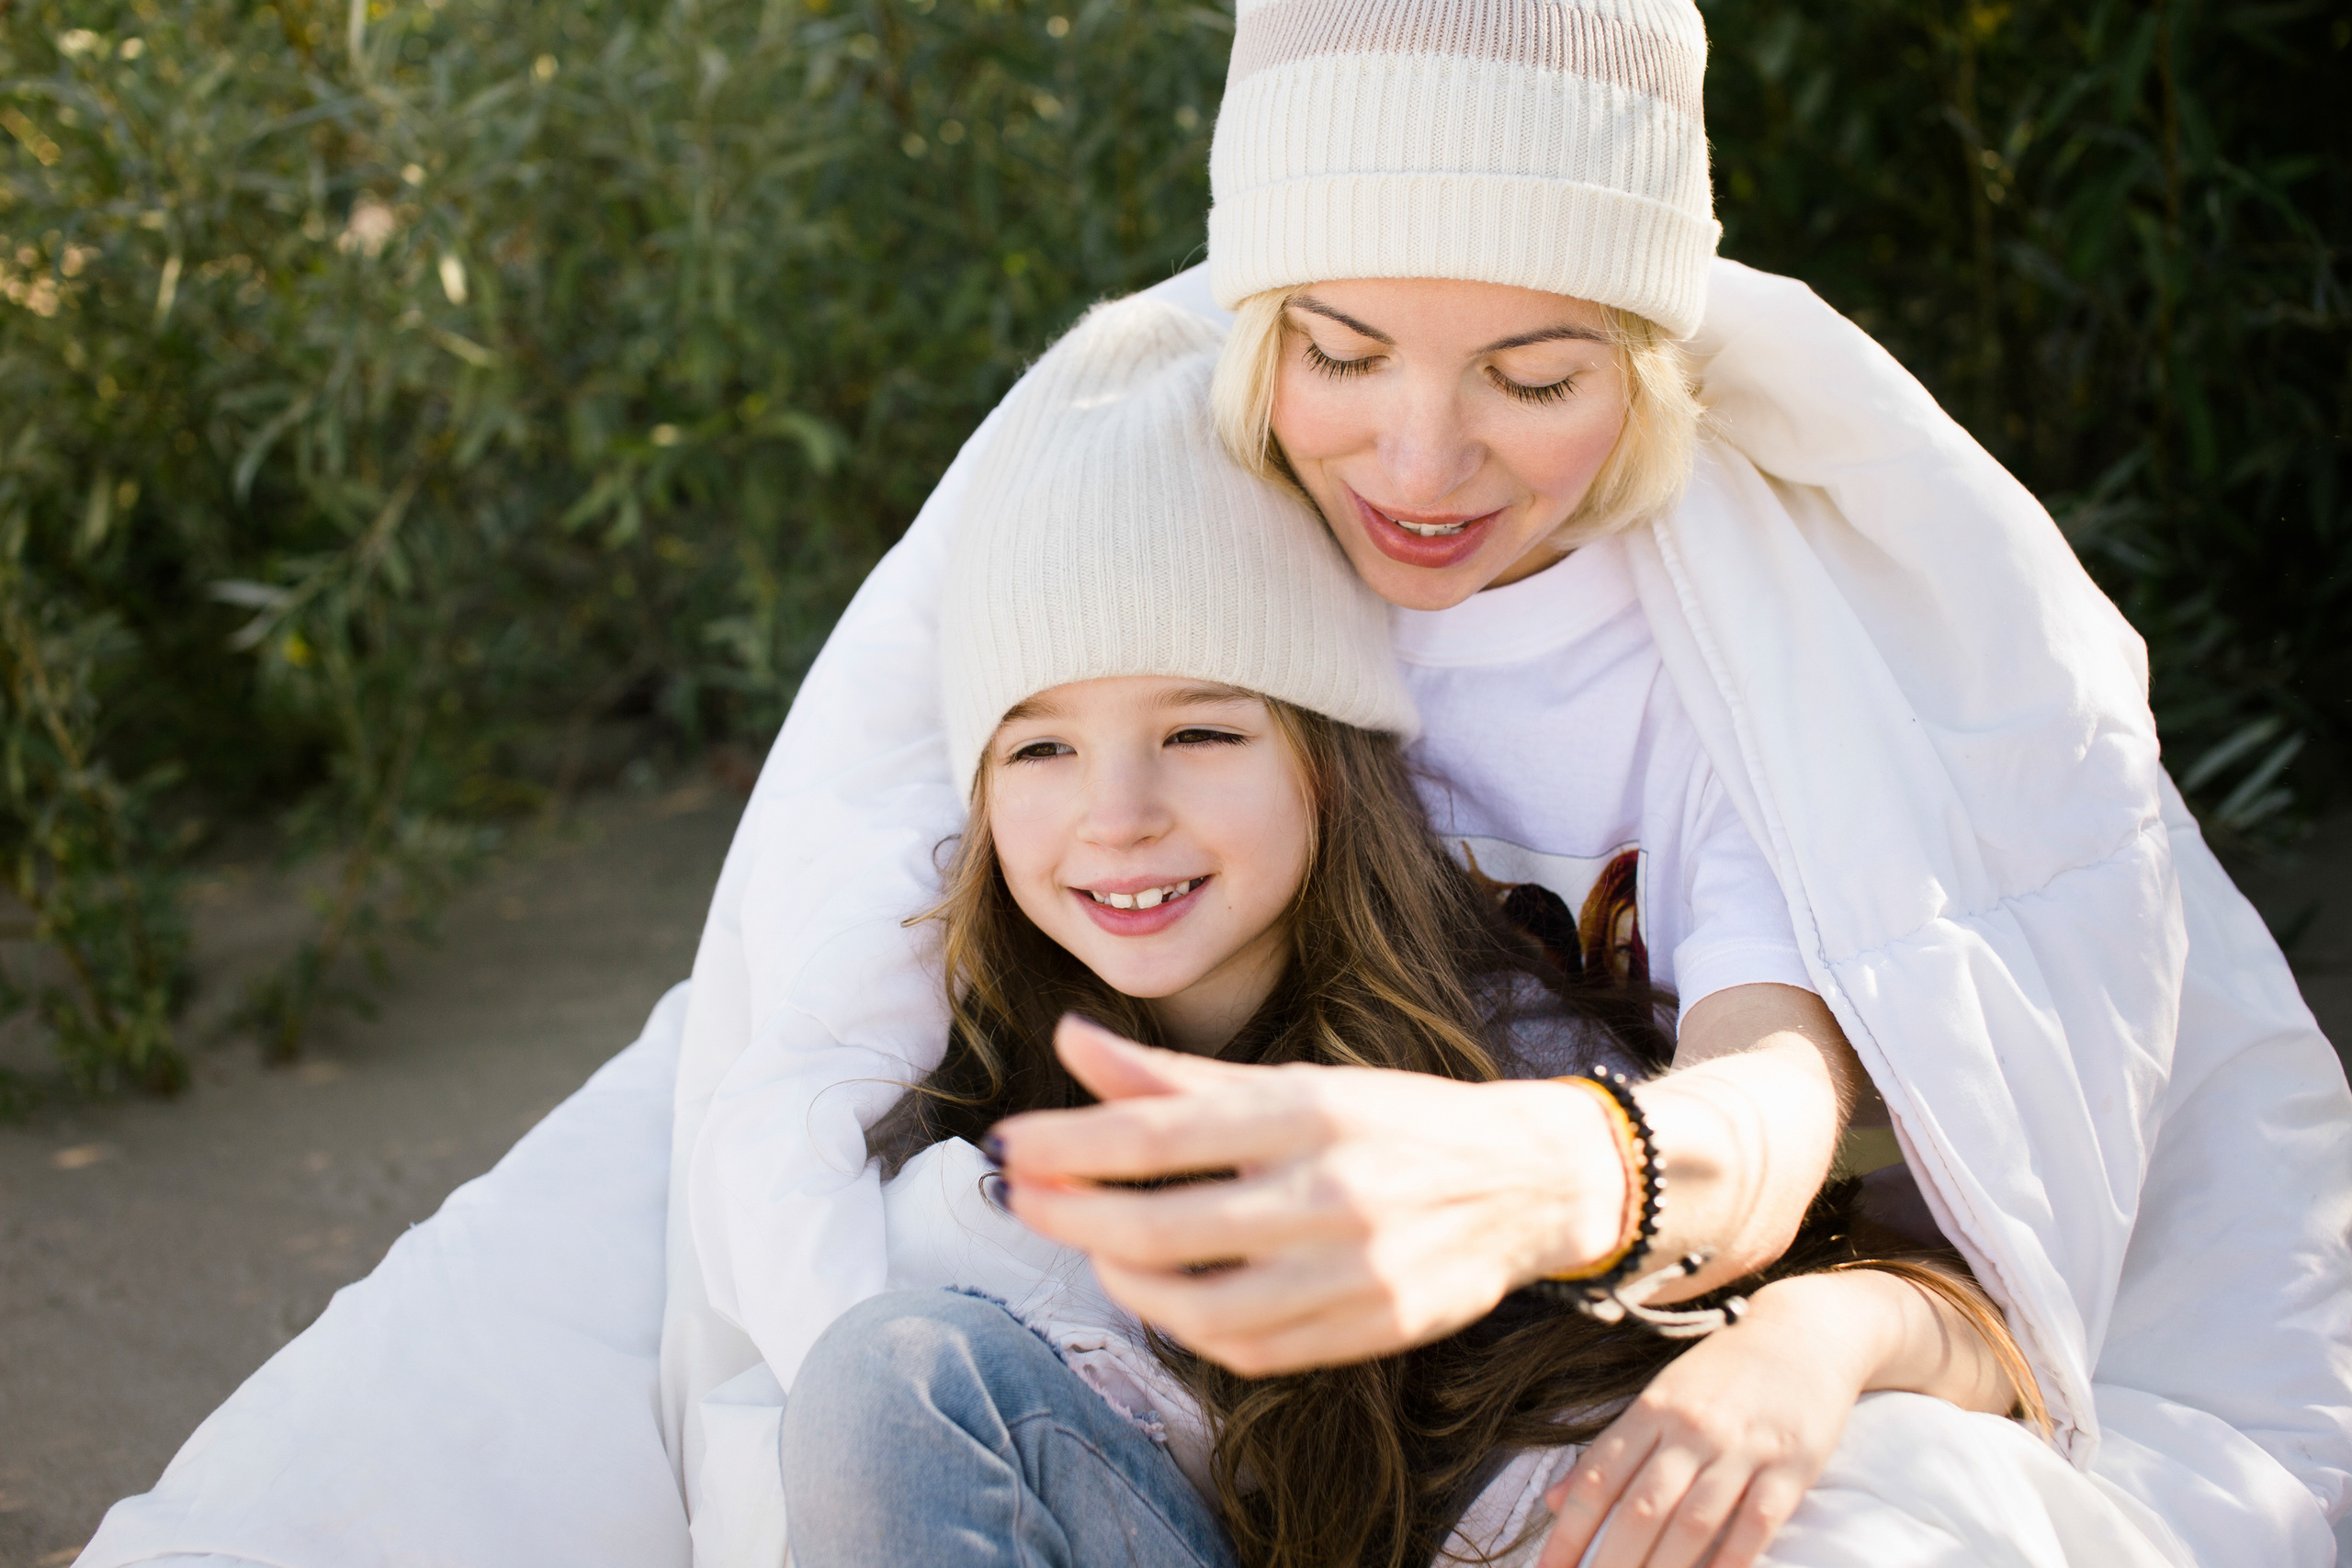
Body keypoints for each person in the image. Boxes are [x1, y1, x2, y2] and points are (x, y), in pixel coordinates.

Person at [665, 1, 2350, 1564]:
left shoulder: (1731, 652)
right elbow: (844, 988)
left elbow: (1782, 1103)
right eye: (1340, 356)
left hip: (1586, 1375)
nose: (1418, 463)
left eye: (1534, 379)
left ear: (1644, 365)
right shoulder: (1167, 517)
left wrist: (1551, 1181)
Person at [782, 291, 2036, 1568]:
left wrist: (1820, 1336)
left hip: (1537, 1519)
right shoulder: (979, 1102)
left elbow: (1966, 1306)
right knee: (887, 1373)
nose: (1117, 817)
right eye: (1038, 746)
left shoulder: (1505, 1062)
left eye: (1202, 733)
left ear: (1329, 766)